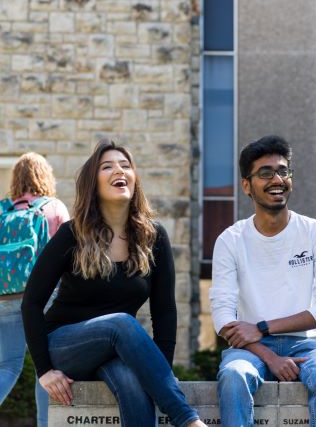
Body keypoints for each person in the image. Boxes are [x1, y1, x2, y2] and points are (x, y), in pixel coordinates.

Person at [21, 139, 206, 427]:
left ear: (134, 178)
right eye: (107, 166)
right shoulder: (74, 234)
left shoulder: (153, 236)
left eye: (125, 165)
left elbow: (165, 310)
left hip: (115, 349)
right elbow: (31, 302)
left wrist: (159, 373)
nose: (119, 170)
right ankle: (189, 421)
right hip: (65, 346)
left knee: (133, 384)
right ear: (93, 183)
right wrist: (43, 369)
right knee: (120, 323)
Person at [210, 135, 316, 427]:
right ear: (247, 185)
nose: (277, 179)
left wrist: (261, 328)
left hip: (308, 346)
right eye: (265, 173)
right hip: (250, 350)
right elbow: (222, 318)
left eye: (283, 171)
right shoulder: (230, 241)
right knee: (234, 376)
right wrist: (269, 356)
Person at [0, 152, 70, 427]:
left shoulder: (3, 210)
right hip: (43, 297)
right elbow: (70, 256)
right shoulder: (53, 208)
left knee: (7, 365)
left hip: (4, 296)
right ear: (46, 176)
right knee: (48, 367)